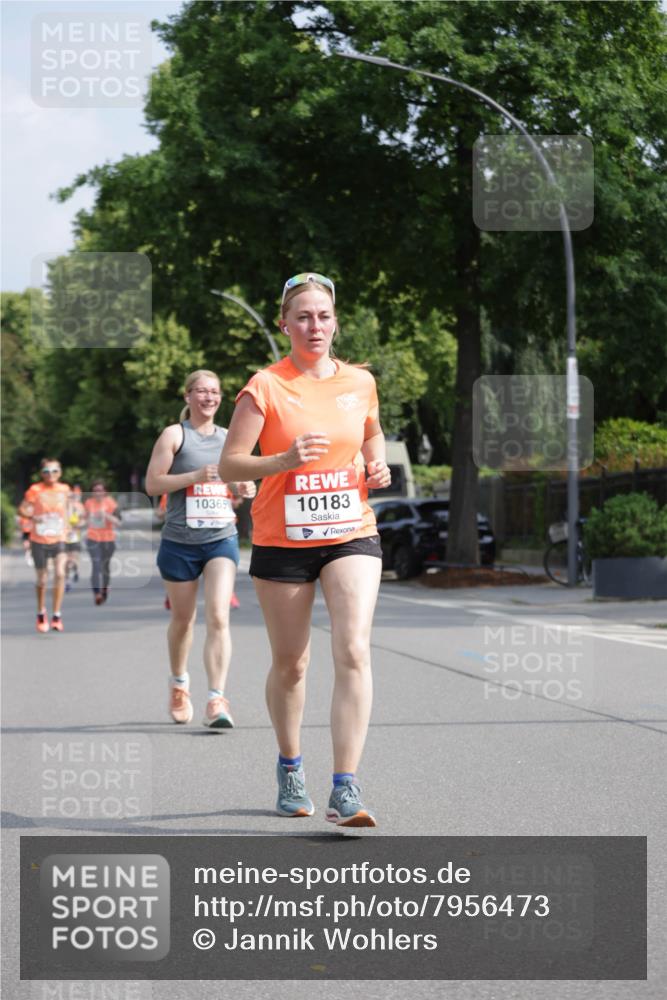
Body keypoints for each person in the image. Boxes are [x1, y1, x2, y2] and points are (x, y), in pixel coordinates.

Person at [219, 272, 391, 827]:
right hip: (282, 538)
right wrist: (283, 461)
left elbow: (370, 432)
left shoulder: (360, 382)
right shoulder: (264, 386)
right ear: (284, 324)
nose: (314, 326)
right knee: (292, 665)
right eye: (303, 317)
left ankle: (346, 787)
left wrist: (377, 460)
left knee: (354, 649)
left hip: (351, 530)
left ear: (336, 321)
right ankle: (290, 766)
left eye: (323, 316)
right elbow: (230, 465)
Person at [145, 370, 256, 730]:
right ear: (188, 396)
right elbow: (152, 484)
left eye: (215, 392)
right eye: (202, 391)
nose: (209, 397)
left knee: (219, 616)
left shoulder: (230, 439)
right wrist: (195, 476)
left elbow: (238, 484)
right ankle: (179, 683)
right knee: (183, 619)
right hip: (179, 541)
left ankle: (216, 698)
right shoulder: (175, 435)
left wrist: (243, 489)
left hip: (220, 538)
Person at [18, 458, 71, 632]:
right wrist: (34, 517)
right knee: (42, 578)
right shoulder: (35, 490)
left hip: (60, 537)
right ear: (42, 474)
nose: (51, 474)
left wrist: (69, 524)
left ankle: (57, 614)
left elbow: (69, 509)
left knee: (61, 573)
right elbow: (22, 509)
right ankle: (41, 612)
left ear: (60, 472)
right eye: (47, 471)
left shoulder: (64, 489)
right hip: (39, 538)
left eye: (55, 471)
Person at [84, 481, 121, 604]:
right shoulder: (88, 503)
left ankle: (104, 588)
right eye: (95, 490)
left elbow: (119, 522)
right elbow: (83, 520)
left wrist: (106, 515)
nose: (98, 493)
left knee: (105, 566)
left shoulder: (111, 503)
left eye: (100, 490)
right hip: (92, 539)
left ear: (105, 492)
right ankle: (97, 594)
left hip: (108, 539)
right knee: (96, 565)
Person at [65, 485, 85, 590]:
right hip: (63, 538)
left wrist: (78, 525)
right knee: (66, 562)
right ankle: (67, 582)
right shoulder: (62, 507)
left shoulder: (79, 507)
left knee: (73, 560)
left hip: (74, 537)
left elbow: (83, 520)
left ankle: (76, 570)